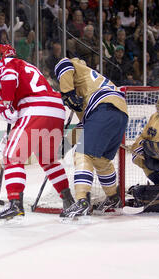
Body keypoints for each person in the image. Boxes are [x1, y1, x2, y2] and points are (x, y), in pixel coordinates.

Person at [0, 44, 74, 223]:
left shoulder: (6, 64)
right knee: (49, 160)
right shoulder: (28, 65)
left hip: (37, 109)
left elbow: (9, 77)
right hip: (56, 109)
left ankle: (15, 204)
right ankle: (69, 201)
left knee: (12, 156)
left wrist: (6, 102)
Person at [54, 57, 128, 219]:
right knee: (100, 160)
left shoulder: (75, 68)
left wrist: (67, 93)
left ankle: (81, 201)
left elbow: (63, 64)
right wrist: (66, 144)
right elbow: (86, 127)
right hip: (120, 112)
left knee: (82, 153)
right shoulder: (89, 89)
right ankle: (114, 198)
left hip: (104, 107)